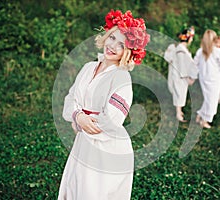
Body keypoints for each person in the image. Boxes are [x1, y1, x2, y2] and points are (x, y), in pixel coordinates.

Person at [57, 9, 150, 200]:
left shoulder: (121, 77)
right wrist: (78, 117)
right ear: (106, 35)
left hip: (107, 145)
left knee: (94, 192)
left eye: (121, 45)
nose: (113, 46)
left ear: (128, 52)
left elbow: (112, 119)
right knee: (76, 186)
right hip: (83, 139)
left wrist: (86, 123)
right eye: (112, 38)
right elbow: (70, 99)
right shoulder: (88, 67)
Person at [194, 29, 220, 128]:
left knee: (208, 99)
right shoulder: (218, 52)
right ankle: (205, 120)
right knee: (212, 101)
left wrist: (194, 75)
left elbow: (194, 65)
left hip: (203, 78)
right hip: (214, 79)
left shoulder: (200, 51)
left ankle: (200, 116)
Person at [164, 26, 198, 122]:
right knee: (180, 93)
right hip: (179, 75)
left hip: (178, 74)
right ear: (188, 38)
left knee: (180, 93)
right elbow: (182, 64)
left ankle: (180, 112)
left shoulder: (180, 48)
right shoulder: (180, 49)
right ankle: (179, 114)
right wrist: (188, 76)